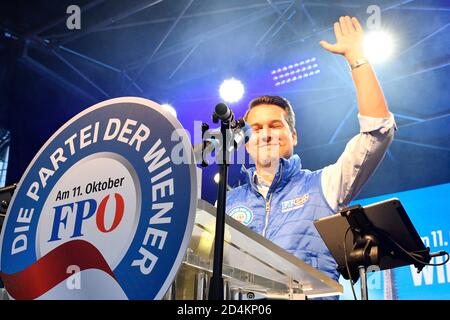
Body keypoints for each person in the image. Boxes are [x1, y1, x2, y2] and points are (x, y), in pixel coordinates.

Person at [225, 16, 396, 298]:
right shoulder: (228, 202)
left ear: (294, 137)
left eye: (276, 125)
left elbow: (377, 133)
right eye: (256, 128)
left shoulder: (325, 184)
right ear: (246, 142)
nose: (266, 134)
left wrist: (357, 59)